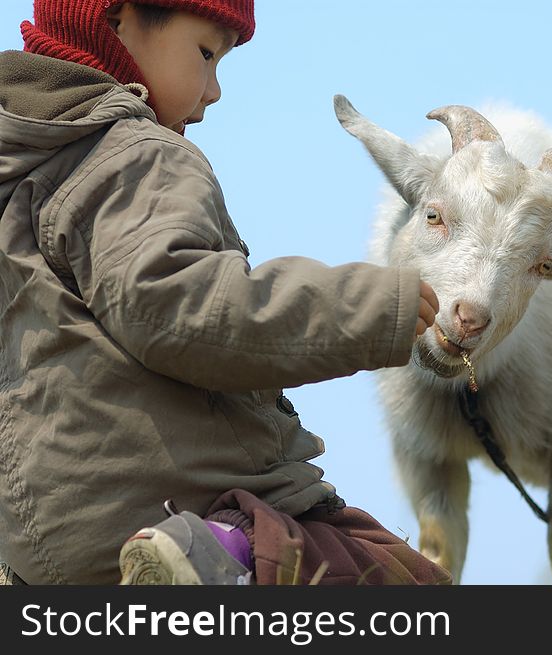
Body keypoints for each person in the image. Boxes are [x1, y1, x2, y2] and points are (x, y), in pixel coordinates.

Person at [0, 0, 450, 585]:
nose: (214, 91)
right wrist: (367, 307)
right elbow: (176, 306)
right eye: (207, 54)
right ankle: (218, 560)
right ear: (114, 22)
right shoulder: (135, 155)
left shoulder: (23, 166)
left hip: (41, 534)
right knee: (391, 574)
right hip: (165, 505)